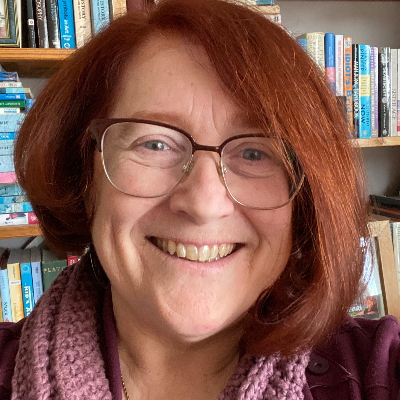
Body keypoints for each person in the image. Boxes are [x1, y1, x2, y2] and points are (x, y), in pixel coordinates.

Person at [1, 0, 399, 399]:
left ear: (304, 202)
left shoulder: (378, 370)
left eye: (255, 153)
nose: (204, 204)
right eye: (154, 144)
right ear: (85, 179)